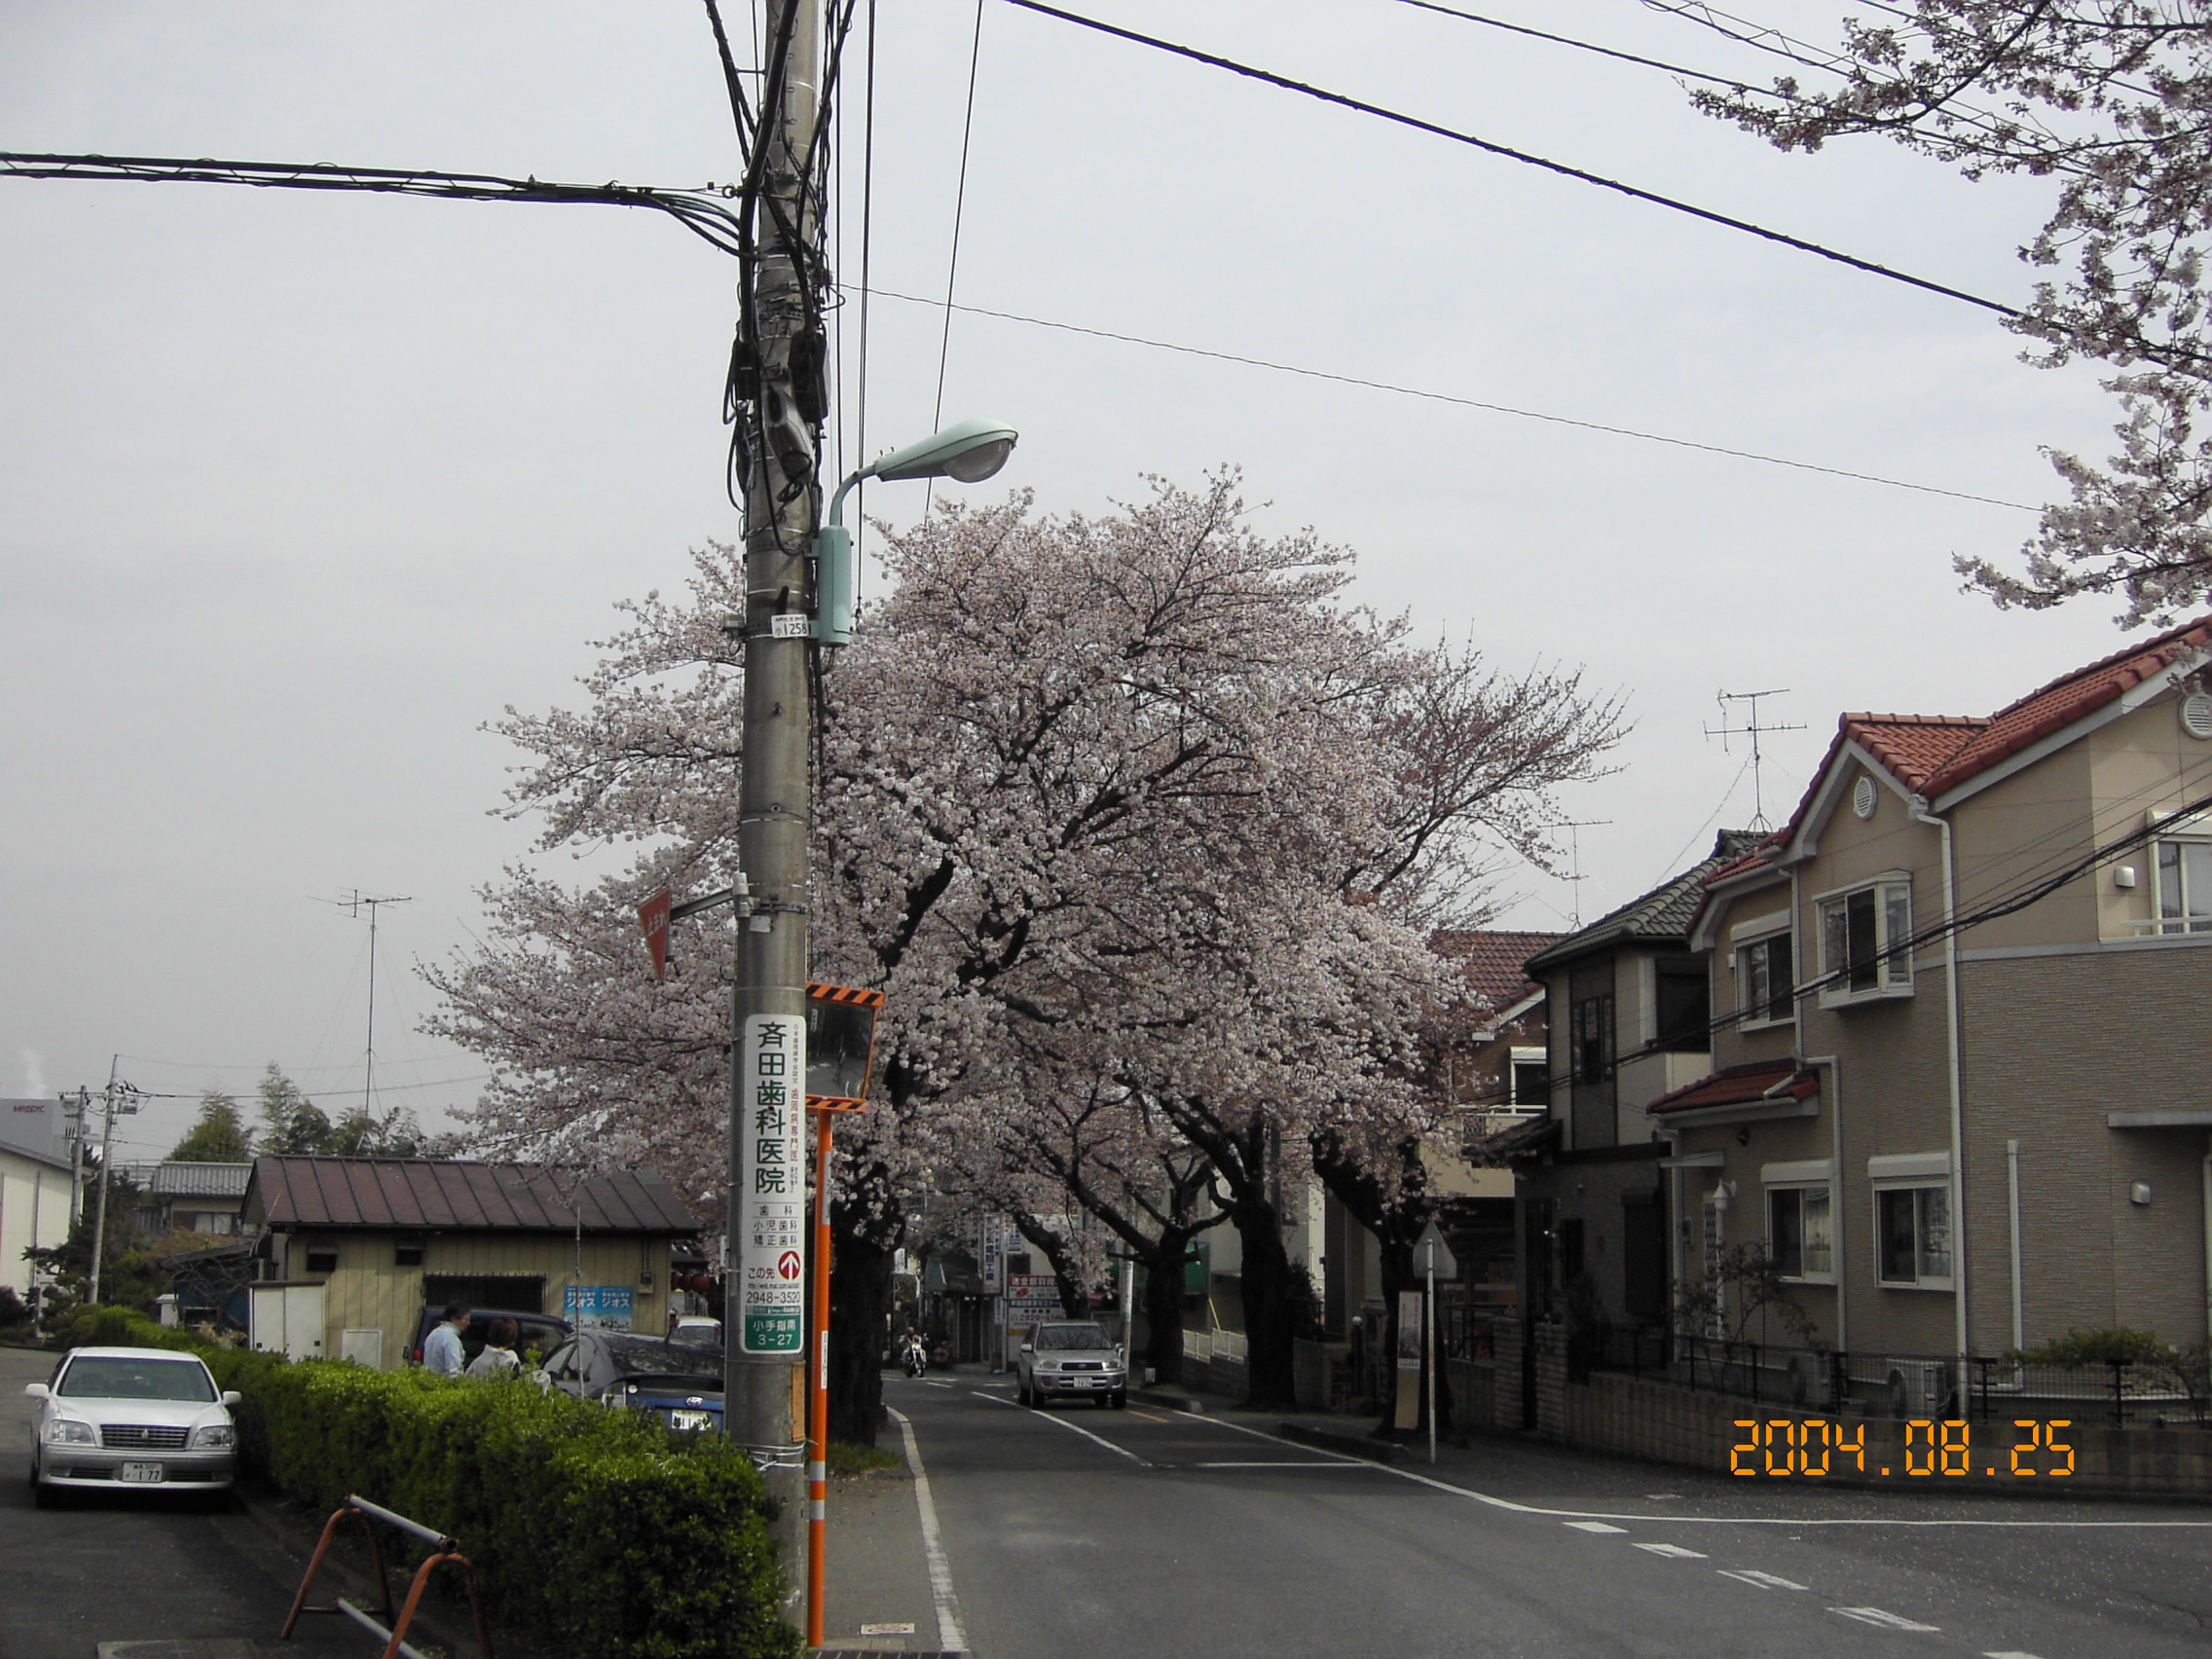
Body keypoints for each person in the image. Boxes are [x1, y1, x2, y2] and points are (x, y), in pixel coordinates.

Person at [423, 1305, 470, 1377]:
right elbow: (454, 1370)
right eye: (466, 1319)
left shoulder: (433, 1333)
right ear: (454, 1319)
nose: (468, 1323)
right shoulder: (451, 1338)